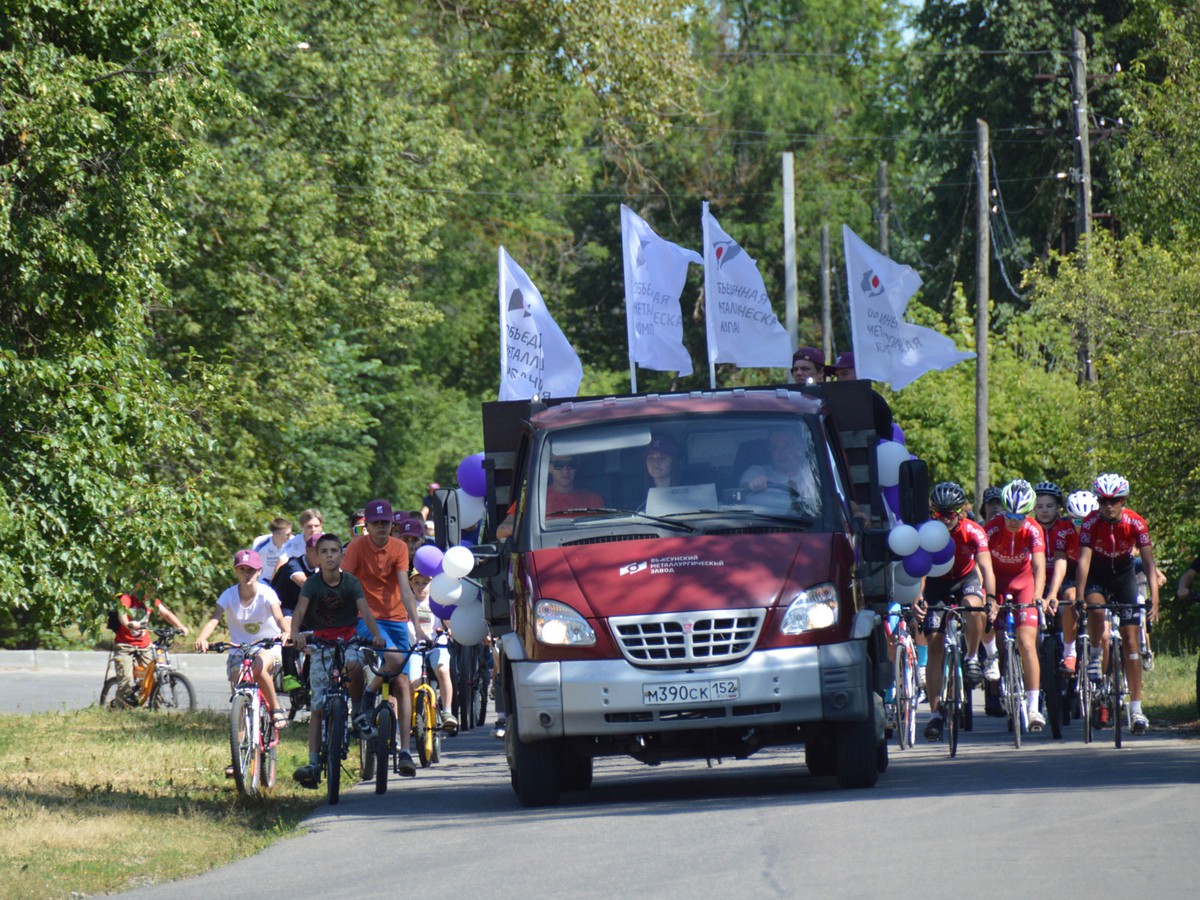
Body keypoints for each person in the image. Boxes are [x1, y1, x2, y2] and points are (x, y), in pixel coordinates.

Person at [290, 533, 386, 787]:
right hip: (321, 644)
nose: (330, 556)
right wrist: (295, 634)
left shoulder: (351, 582)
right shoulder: (312, 583)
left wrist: (376, 636)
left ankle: (356, 712)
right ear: (317, 558)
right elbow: (299, 610)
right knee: (318, 707)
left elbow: (364, 611)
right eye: (325, 552)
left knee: (354, 666)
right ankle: (312, 761)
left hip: (348, 641)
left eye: (335, 551)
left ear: (342, 556)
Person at [343, 499, 428, 777]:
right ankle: (367, 696)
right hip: (366, 618)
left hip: (397, 619)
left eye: (386, 523)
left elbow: (405, 589)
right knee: (392, 658)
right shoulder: (357, 548)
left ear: (393, 524)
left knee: (402, 681)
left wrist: (418, 626)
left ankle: (405, 751)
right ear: (366, 525)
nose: (381, 528)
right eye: (375, 523)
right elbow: (345, 585)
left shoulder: (400, 548)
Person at [1075, 473, 1160, 734]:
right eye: (1102, 500)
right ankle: (1096, 652)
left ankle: (1136, 708)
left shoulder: (1136, 523)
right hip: (1097, 577)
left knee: (1132, 643)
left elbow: (1147, 563)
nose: (1107, 506)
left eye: (1114, 501)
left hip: (1123, 577)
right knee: (1097, 611)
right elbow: (1084, 561)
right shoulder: (1090, 522)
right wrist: (1079, 596)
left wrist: (1154, 598)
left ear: (1123, 500)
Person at [914, 482, 996, 741]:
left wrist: (991, 597)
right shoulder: (925, 532)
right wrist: (918, 595)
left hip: (965, 579)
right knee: (935, 643)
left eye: (951, 513)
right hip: (936, 584)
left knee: (974, 607)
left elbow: (986, 567)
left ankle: (972, 658)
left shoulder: (974, 531)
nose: (945, 518)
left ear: (961, 512)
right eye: (939, 513)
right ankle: (936, 713)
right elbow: (919, 569)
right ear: (932, 512)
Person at [194, 549, 289, 748]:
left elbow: (279, 617)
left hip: (267, 646)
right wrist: (202, 638)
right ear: (236, 571)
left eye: (251, 570)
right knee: (238, 696)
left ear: (259, 572)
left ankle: (275, 708)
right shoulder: (228, 595)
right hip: (239, 649)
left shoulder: (266, 593)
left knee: (259, 668)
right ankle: (238, 754)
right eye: (242, 569)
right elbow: (214, 619)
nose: (247, 574)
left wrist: (286, 632)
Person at [984, 479, 1048, 732]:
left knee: (1027, 642)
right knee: (997, 636)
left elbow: (1040, 566)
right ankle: (997, 669)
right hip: (996, 582)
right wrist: (988, 597)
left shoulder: (1033, 529)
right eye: (1008, 514)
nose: (1012, 520)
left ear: (1029, 513)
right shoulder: (991, 528)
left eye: (1019, 516)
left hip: (1023, 583)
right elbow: (982, 566)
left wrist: (1039, 596)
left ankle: (1033, 708)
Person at [1045, 490, 1098, 675]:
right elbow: (1060, 562)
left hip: (1097, 571)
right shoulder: (1063, 530)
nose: (1082, 526)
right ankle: (1070, 652)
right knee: (1070, 597)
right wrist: (1052, 593)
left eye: (1086, 521)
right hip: (1073, 571)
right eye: (1077, 521)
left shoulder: (1101, 528)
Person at [111, 583, 189, 705]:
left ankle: (155, 707)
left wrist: (180, 626)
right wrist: (129, 624)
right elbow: (122, 616)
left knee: (154, 677)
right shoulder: (127, 598)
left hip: (144, 644)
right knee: (126, 680)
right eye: (147, 588)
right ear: (137, 586)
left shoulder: (151, 601)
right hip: (124, 645)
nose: (150, 592)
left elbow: (166, 614)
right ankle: (120, 710)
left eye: (152, 589)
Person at [271, 531, 322, 692]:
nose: (322, 555)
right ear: (308, 551)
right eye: (318, 551)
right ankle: (289, 676)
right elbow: (304, 583)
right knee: (289, 632)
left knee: (318, 637)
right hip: (285, 605)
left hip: (305, 607)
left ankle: (309, 680)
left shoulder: (320, 570)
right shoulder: (294, 564)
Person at [406, 571, 456, 733]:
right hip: (415, 647)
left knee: (442, 670)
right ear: (411, 584)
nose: (421, 587)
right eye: (417, 583)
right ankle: (416, 716)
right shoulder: (407, 603)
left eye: (425, 583)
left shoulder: (437, 602)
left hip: (436, 645)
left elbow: (448, 621)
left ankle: (447, 711)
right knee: (413, 682)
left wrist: (449, 628)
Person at [739, 426, 821, 516]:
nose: (782, 453)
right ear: (770, 450)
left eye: (787, 446)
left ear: (799, 449)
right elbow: (741, 493)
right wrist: (752, 485)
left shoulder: (813, 475)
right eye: (775, 447)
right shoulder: (756, 472)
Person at [251, 517, 293, 585]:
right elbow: (252, 562)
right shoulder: (261, 543)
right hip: (264, 580)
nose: (290, 536)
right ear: (276, 535)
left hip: (284, 580)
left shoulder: (292, 542)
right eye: (287, 535)